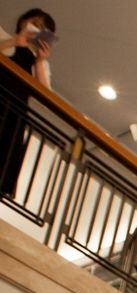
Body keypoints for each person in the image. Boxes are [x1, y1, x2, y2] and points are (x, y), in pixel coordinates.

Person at [0, 8, 54, 200]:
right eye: (36, 25)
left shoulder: (39, 64)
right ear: (23, 21)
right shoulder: (3, 36)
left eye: (43, 31)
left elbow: (46, 98)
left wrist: (40, 61)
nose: (36, 31)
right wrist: (15, 41)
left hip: (13, 118)